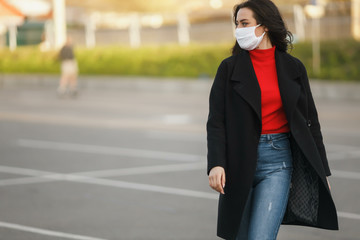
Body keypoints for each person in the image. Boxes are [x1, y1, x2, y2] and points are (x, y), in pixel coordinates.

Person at [206, 0, 339, 239]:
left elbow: (311, 123)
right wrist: (216, 163)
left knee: (261, 236)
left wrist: (323, 173)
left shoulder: (293, 68)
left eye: (245, 23)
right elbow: (217, 121)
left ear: (265, 26)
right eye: (237, 24)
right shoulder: (229, 68)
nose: (239, 29)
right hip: (238, 161)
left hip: (278, 163)